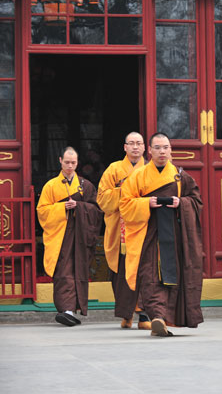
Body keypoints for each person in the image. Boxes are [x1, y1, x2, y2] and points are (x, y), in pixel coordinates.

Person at [119, 132, 204, 337]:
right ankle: (156, 316)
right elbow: (125, 204)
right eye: (157, 147)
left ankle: (165, 319)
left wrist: (180, 203)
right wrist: (146, 203)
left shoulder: (180, 176)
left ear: (171, 150)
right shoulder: (138, 176)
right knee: (149, 274)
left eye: (166, 147)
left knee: (172, 275)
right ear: (150, 150)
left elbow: (196, 202)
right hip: (149, 233)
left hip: (174, 236)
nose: (162, 151)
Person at [37, 147, 103, 326]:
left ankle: (71, 310)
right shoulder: (50, 186)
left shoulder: (85, 185)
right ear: (60, 160)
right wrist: (61, 208)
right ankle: (65, 309)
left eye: (73, 163)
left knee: (77, 270)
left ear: (77, 163)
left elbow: (97, 210)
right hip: (60, 236)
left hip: (80, 235)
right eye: (67, 162)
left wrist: (80, 207)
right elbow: (42, 212)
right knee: (63, 272)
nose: (70, 166)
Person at [97, 132, 149, 330]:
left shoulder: (151, 170)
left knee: (145, 271)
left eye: (139, 143)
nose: (135, 147)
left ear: (145, 148)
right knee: (121, 274)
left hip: (145, 228)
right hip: (121, 231)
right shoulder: (114, 169)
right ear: (124, 147)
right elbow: (102, 199)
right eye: (131, 143)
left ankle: (144, 314)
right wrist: (125, 190)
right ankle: (127, 315)